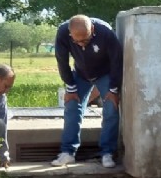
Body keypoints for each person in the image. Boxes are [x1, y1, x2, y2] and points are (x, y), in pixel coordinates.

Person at [51, 14, 123, 168]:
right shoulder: (63, 32)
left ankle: (107, 153)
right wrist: (70, 87)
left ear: (93, 29)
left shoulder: (106, 33)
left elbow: (117, 61)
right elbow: (62, 60)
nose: (82, 44)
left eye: (86, 39)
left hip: (105, 74)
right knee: (71, 107)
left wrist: (113, 89)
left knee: (111, 108)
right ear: (70, 34)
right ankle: (68, 152)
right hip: (81, 74)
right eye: (77, 41)